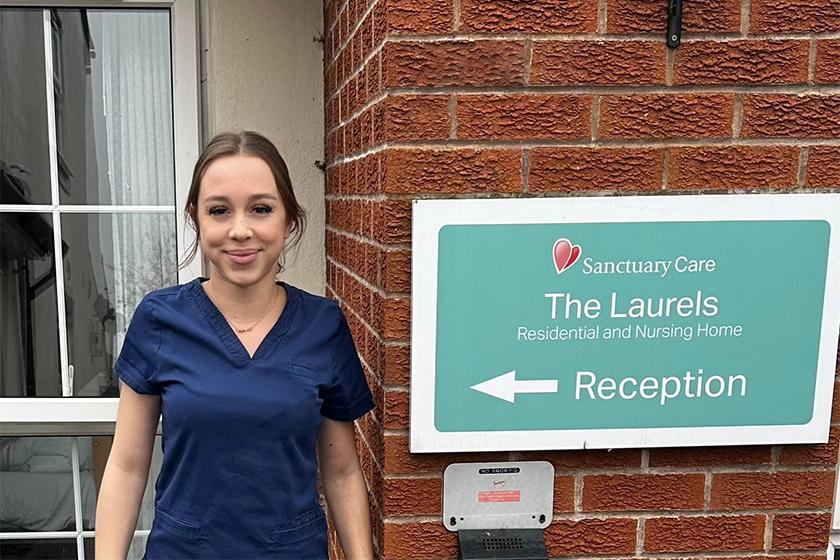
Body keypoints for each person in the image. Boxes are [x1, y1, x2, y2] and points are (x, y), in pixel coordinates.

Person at [94, 131, 375, 559]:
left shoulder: (323, 326)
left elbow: (340, 470)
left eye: (261, 209)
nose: (240, 230)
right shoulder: (160, 320)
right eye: (219, 211)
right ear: (196, 218)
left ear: (289, 220)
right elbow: (127, 466)